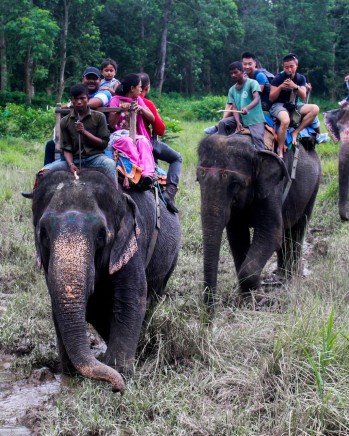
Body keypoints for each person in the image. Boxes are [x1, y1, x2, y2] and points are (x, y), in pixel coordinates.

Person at [43, 66, 112, 166]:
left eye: (94, 78)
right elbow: (67, 146)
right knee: (49, 151)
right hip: (74, 152)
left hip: (96, 143)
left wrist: (73, 105)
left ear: (100, 81)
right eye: (88, 78)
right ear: (83, 79)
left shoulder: (104, 93)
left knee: (109, 164)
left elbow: (94, 103)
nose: (91, 81)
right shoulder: (76, 93)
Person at [138, 72, 182, 213]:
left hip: (118, 141)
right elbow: (161, 129)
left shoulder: (117, 99)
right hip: (145, 142)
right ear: (147, 88)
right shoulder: (146, 103)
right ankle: (169, 193)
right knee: (177, 158)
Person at [269, 53, 319, 157]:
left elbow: (303, 96)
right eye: (286, 67)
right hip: (278, 105)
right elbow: (271, 98)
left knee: (315, 109)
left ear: (296, 65)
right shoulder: (278, 78)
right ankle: (280, 150)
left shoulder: (300, 78)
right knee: (285, 120)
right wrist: (280, 87)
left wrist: (295, 87)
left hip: (293, 105)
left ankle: (296, 132)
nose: (289, 70)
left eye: (291, 66)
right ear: (283, 67)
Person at [108, 74, 155, 184]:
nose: (141, 89)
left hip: (135, 134)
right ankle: (136, 172)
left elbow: (152, 117)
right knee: (128, 141)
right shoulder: (115, 100)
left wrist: (142, 109)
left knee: (143, 141)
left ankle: (148, 174)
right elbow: (111, 124)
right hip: (119, 135)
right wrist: (120, 110)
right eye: (139, 86)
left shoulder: (138, 100)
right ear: (132, 88)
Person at [225, 61, 266, 150]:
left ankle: (262, 159)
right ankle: (220, 147)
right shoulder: (232, 90)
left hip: (255, 119)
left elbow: (256, 99)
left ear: (242, 71)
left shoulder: (252, 83)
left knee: (258, 138)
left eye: (235, 72)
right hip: (241, 118)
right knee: (222, 123)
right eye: (231, 73)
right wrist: (238, 122)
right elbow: (235, 108)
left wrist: (247, 107)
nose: (233, 75)